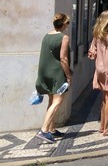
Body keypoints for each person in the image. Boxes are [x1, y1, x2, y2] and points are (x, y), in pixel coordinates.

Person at [34, 13, 73, 143]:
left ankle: (51, 128)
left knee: (51, 101)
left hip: (45, 72)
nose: (68, 25)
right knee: (57, 102)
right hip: (57, 73)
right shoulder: (64, 37)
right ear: (64, 24)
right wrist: (68, 76)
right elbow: (63, 58)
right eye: (68, 23)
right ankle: (44, 130)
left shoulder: (46, 36)